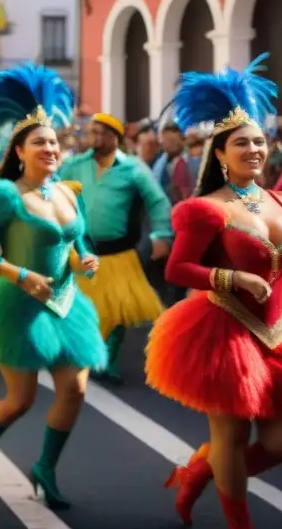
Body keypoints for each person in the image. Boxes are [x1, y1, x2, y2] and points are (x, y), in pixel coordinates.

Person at [145, 55, 282, 529]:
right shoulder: (204, 209)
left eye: (259, 141)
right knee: (230, 437)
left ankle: (198, 471)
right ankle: (239, 523)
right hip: (225, 331)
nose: (253, 149)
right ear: (220, 154)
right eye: (241, 143)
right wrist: (230, 278)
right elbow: (178, 267)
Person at [0, 65, 107, 510]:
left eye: (54, 142)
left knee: (75, 390)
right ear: (19, 151)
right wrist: (18, 274)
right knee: (19, 400)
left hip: (65, 303)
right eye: (39, 142)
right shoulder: (3, 195)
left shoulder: (68, 191)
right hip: (19, 303)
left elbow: (75, 239)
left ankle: (45, 466)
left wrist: (84, 258)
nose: (50, 147)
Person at [60, 113, 172, 384]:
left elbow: (158, 202)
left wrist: (161, 235)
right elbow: (55, 197)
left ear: (116, 138)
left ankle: (107, 361)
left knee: (120, 309)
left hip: (119, 253)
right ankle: (84, 351)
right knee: (83, 308)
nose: (95, 138)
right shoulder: (74, 165)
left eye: (102, 133)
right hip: (82, 251)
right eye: (92, 132)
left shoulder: (133, 168)